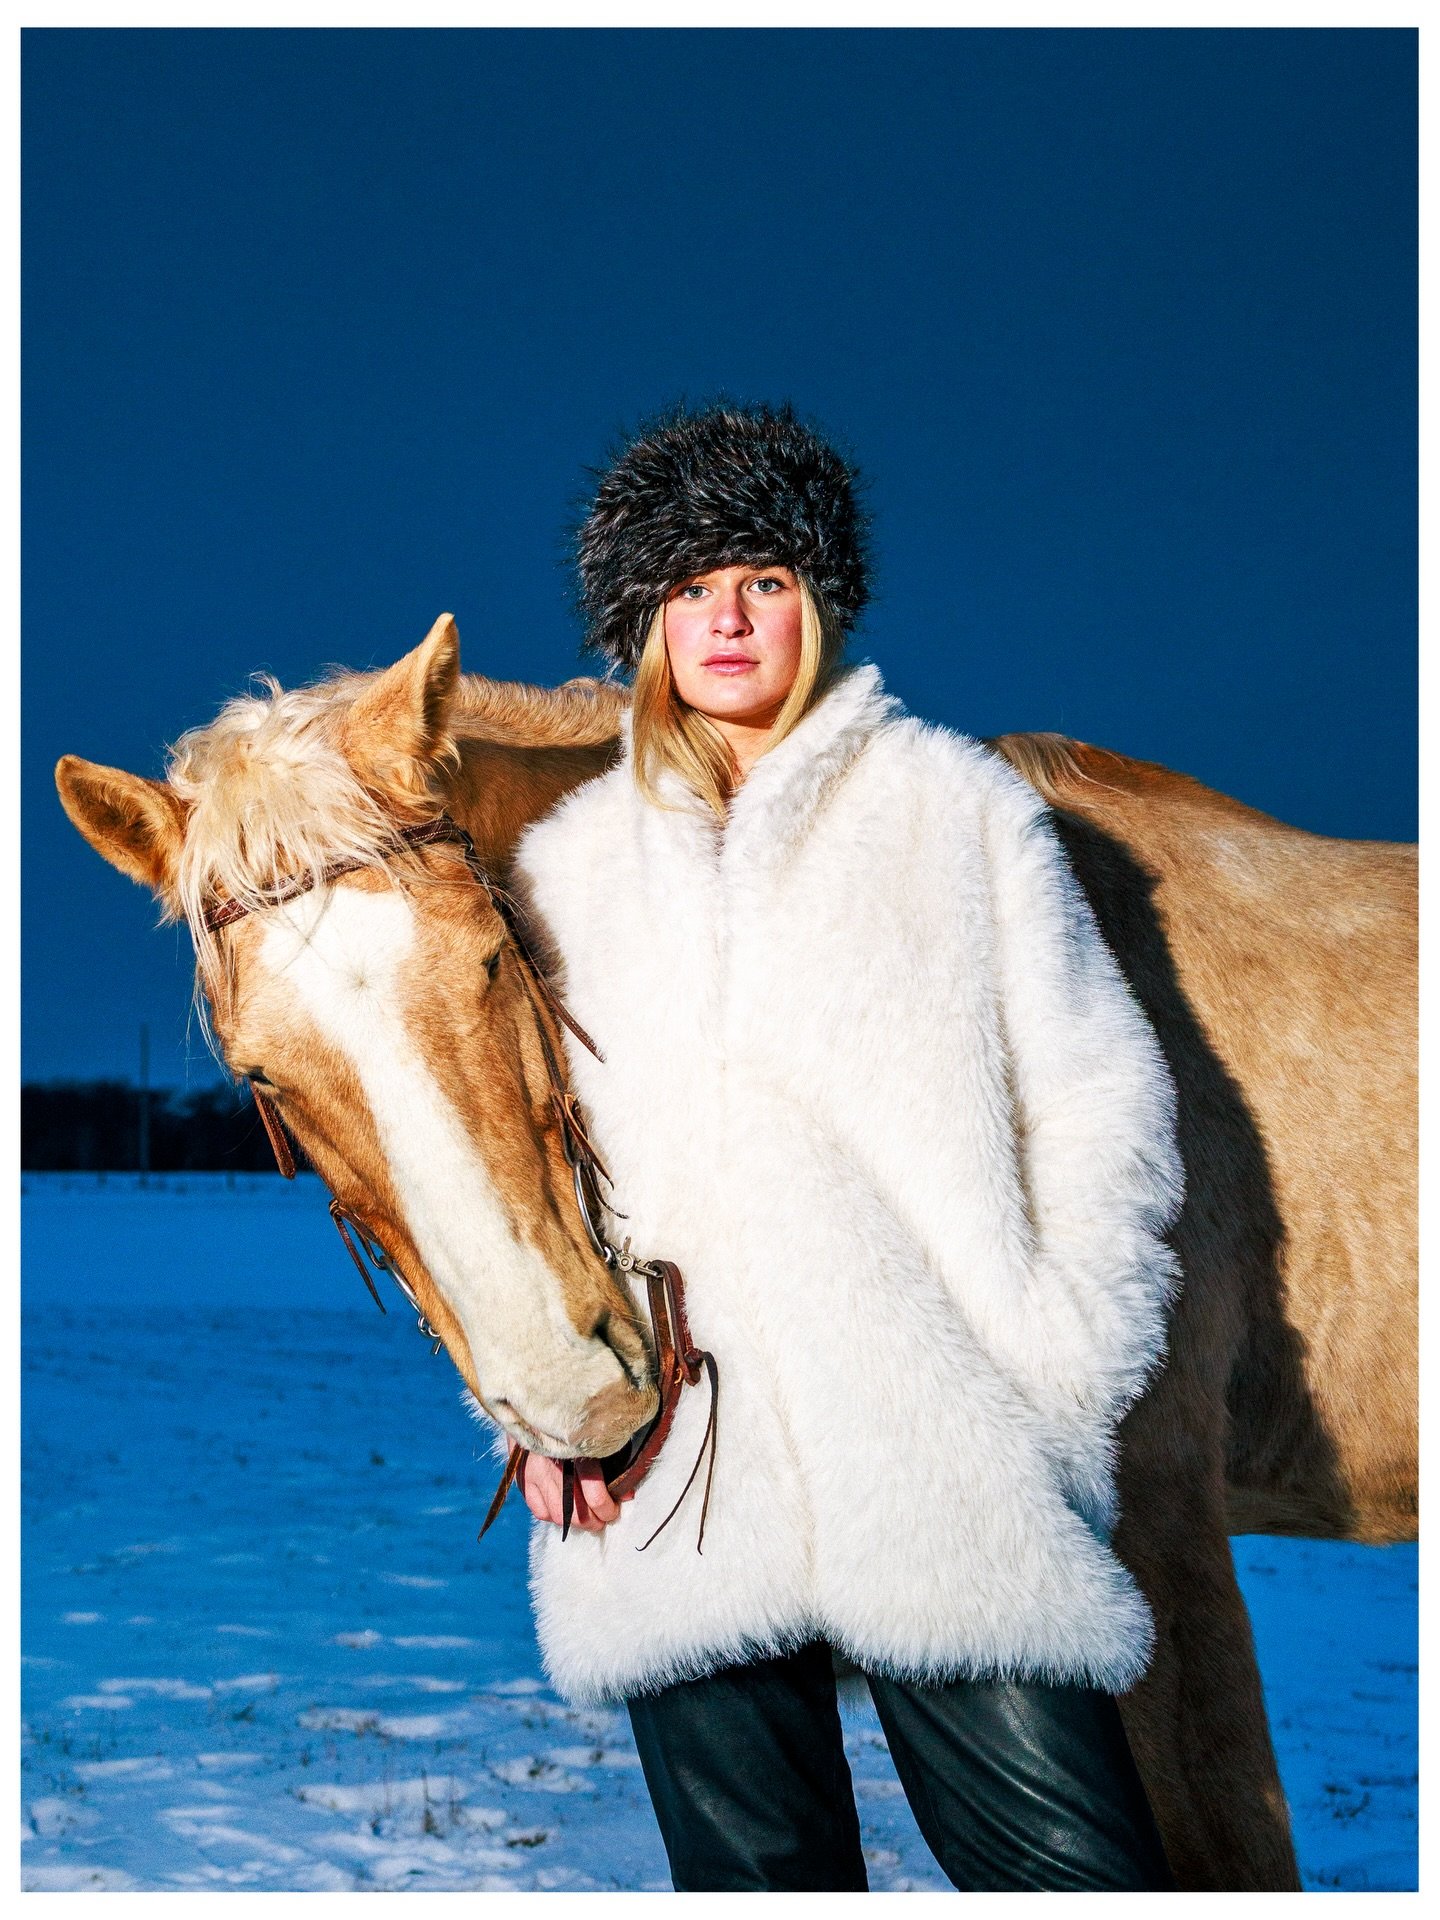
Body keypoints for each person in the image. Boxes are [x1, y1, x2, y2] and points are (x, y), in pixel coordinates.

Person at [503, 400, 1184, 1892]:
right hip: (678, 1468)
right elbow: (539, 1193)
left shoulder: (955, 813)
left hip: (942, 1448)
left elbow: (1100, 1109)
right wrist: (548, 1410)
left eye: (761, 579)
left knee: (1081, 1874)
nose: (727, 618)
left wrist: (1057, 1370)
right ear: (645, 628)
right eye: (688, 590)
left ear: (818, 601)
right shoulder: (567, 870)